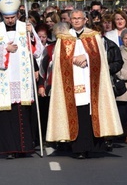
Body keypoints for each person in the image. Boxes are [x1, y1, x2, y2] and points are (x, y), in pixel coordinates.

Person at [46, 9, 122, 158]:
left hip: (89, 80)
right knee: (77, 113)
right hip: (72, 80)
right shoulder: (63, 38)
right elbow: (57, 60)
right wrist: (72, 59)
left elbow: (101, 58)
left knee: (90, 113)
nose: (76, 21)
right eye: (73, 19)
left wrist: (86, 57)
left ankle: (92, 147)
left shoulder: (94, 37)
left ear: (85, 20)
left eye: (79, 18)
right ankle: (78, 148)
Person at [0, 0, 42, 159]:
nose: (10, 20)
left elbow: (37, 51)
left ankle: (24, 148)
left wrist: (32, 36)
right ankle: (8, 149)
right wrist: (5, 50)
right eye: (6, 17)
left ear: (17, 14)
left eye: (12, 17)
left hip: (22, 80)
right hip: (4, 79)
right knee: (6, 115)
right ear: (2, 16)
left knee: (22, 113)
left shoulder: (26, 28)